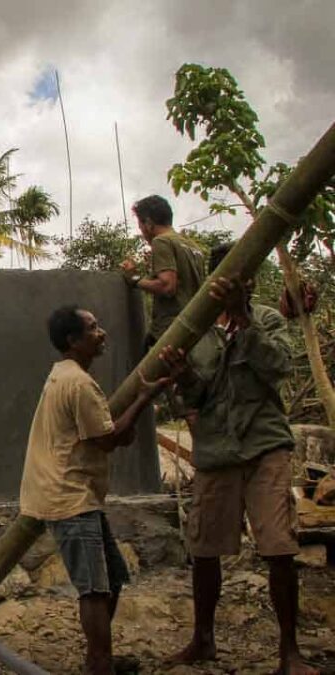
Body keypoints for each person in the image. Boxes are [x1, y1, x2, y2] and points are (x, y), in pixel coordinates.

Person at [162, 243, 317, 675]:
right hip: (217, 451)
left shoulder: (266, 319)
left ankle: (290, 651)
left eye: (247, 277)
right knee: (205, 547)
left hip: (265, 447)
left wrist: (245, 319)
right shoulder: (195, 330)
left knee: (278, 547)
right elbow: (195, 396)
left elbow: (279, 367)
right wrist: (185, 377)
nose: (242, 283)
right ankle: (203, 640)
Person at [19, 305, 181, 675]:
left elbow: (103, 435)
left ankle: (99, 659)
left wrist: (124, 428)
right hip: (69, 496)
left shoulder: (66, 375)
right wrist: (143, 398)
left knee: (113, 578)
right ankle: (100, 663)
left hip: (77, 493)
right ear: (73, 341)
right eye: (93, 328)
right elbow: (108, 440)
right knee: (94, 589)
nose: (102, 333)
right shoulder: (79, 383)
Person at [120, 195, 205, 348]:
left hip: (170, 332)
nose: (142, 232)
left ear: (149, 223)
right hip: (196, 328)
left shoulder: (161, 241)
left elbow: (167, 286)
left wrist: (134, 278)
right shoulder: (192, 246)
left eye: (141, 226)